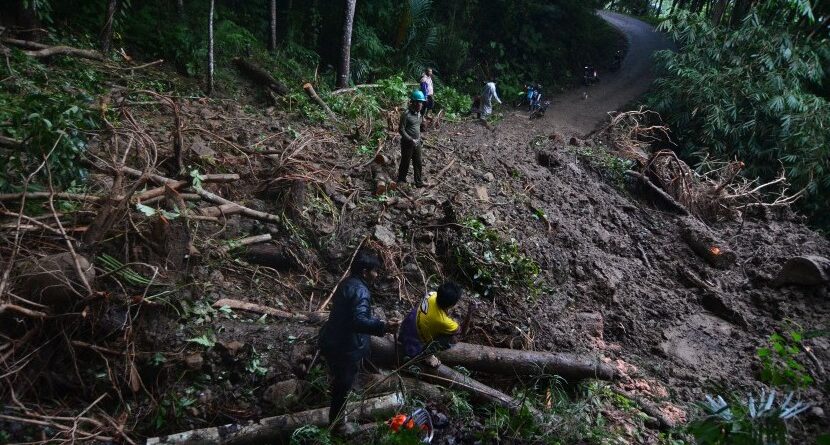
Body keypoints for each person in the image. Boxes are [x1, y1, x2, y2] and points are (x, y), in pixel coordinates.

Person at [318, 250, 399, 428]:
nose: (376, 275)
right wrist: (383, 326)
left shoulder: (347, 283)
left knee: (340, 382)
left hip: (332, 339)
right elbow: (357, 320)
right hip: (345, 347)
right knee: (343, 386)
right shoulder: (361, 291)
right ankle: (338, 426)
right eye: (375, 271)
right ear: (364, 272)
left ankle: (337, 416)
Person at [398, 282, 463, 364]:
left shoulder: (432, 294)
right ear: (451, 305)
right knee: (452, 337)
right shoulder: (443, 321)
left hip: (406, 326)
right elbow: (460, 331)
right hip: (413, 344)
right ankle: (426, 354)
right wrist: (470, 312)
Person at [397, 90, 426, 187]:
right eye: (418, 102)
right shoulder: (406, 114)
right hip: (407, 143)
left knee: (418, 162)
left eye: (421, 102)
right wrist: (410, 139)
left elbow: (419, 127)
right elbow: (401, 130)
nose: (420, 104)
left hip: (417, 142)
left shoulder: (419, 114)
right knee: (405, 161)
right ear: (413, 102)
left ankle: (418, 182)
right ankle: (401, 180)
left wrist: (420, 136)